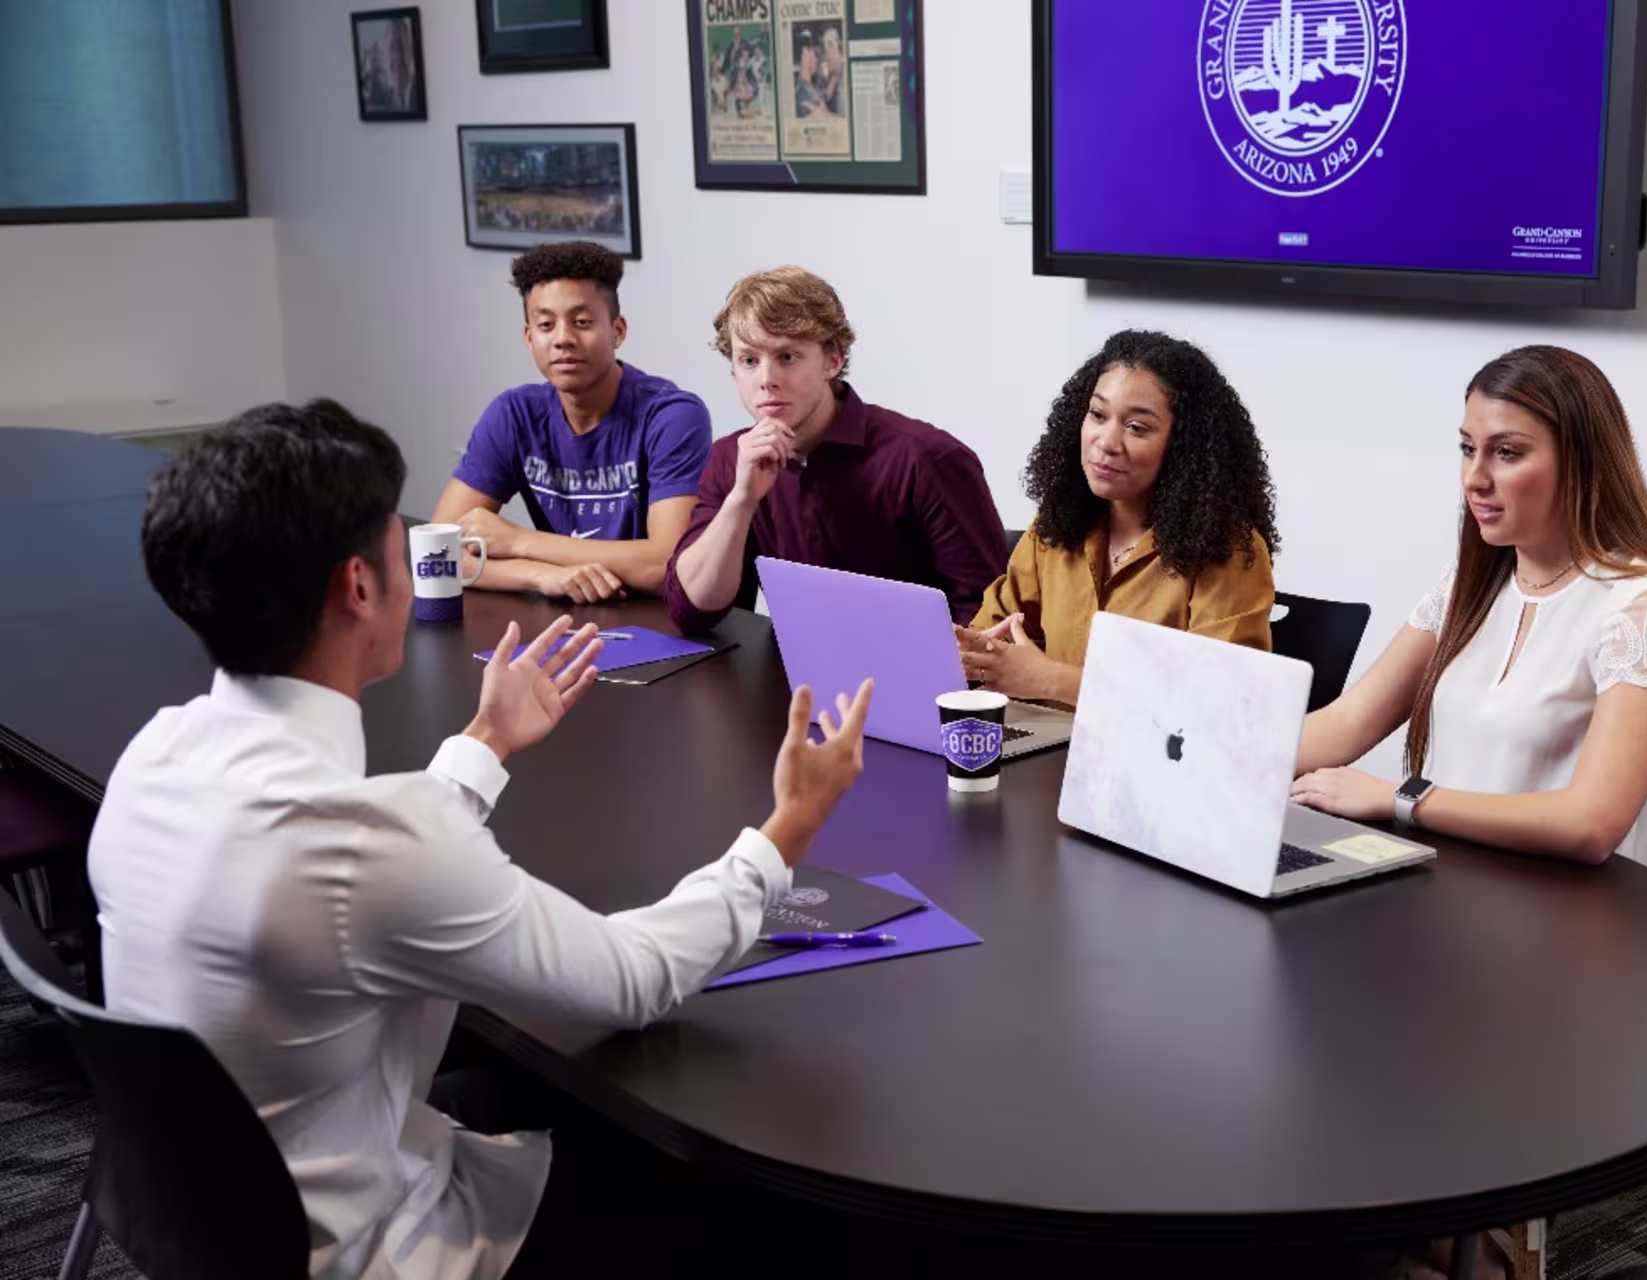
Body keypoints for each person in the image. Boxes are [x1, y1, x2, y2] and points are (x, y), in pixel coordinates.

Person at [91, 399, 874, 1278]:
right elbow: (635, 979)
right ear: (359, 586)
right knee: (757, 1200)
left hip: (214, 1209)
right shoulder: (371, 845)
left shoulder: (155, 757)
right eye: (403, 538)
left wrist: (485, 744)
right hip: (371, 1245)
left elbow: (356, 872)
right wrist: (786, 829)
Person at [1291, 343, 1647, 877]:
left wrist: (1400, 796)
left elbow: (1590, 823)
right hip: (1456, 888)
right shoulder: (1471, 584)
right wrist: (1211, 754)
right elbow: (1349, 722)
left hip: (1584, 920)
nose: (1474, 477)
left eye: (1507, 453)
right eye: (1468, 449)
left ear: (1583, 463)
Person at [663, 266, 1007, 635]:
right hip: (792, 678)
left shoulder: (926, 459)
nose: (766, 380)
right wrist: (741, 501)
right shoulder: (731, 458)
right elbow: (691, 612)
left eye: (788, 357)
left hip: (920, 678)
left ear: (834, 359)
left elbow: (990, 619)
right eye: (749, 360)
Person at [958, 330, 1278, 707]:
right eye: (1097, 415)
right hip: (1048, 750)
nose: (1107, 442)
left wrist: (1053, 681)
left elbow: (1220, 702)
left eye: (1136, 428)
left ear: (1183, 446)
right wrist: (967, 649)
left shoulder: (1228, 548)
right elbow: (995, 629)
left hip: (1154, 763)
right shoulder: (1057, 524)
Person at [432, 241, 712, 605]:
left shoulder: (672, 416)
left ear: (618, 330)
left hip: (662, 627)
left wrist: (520, 542)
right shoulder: (514, 415)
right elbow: (438, 553)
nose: (563, 339)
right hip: (567, 619)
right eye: (546, 325)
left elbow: (669, 566)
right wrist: (543, 576)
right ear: (529, 337)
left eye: (582, 322)